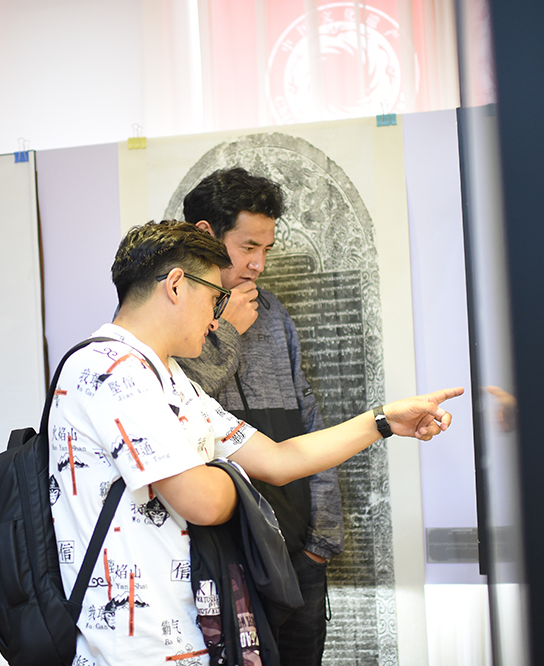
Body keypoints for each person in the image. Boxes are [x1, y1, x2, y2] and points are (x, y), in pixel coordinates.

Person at [48, 220, 462, 666]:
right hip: (133, 650)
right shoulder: (110, 368)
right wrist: (229, 476)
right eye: (215, 297)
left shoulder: (170, 376)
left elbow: (278, 459)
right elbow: (202, 502)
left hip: (193, 635)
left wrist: (382, 420)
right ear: (175, 285)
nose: (216, 319)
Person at [175, 167, 340, 665]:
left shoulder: (273, 312)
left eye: (266, 248)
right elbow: (174, 409)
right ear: (206, 233)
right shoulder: (168, 316)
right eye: (248, 247)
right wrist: (225, 331)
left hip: (298, 553)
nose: (259, 264)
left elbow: (308, 417)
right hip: (218, 557)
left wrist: (322, 539)